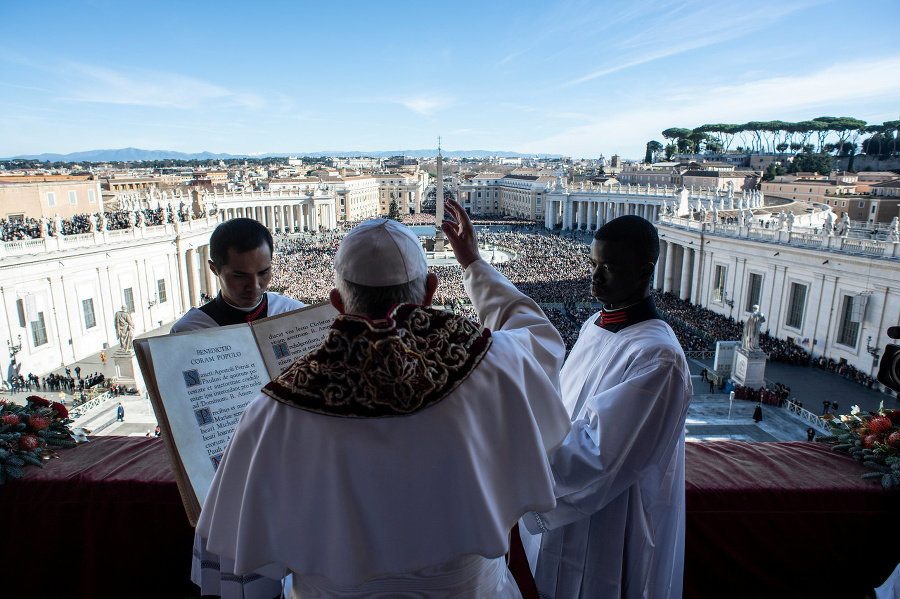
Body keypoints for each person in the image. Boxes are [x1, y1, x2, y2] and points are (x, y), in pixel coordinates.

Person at [192, 200, 571, 598]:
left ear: (337, 303)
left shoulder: (279, 404)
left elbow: (238, 532)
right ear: (429, 292)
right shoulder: (493, 360)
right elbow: (542, 341)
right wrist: (473, 264)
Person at [522, 215, 693, 599]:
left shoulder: (658, 358)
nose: (596, 277)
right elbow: (562, 408)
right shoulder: (594, 324)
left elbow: (598, 454)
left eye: (610, 267)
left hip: (608, 522)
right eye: (594, 265)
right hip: (561, 502)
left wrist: (514, 457)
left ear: (645, 271)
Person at [171, 218, 304, 333]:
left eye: (263, 272)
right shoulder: (187, 331)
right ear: (214, 269)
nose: (255, 286)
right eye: (240, 276)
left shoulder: (297, 314)